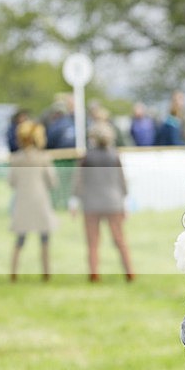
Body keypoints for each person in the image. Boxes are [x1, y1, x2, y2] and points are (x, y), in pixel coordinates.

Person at [72, 120, 134, 282]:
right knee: (120, 240)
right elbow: (122, 181)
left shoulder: (86, 157)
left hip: (91, 204)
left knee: (92, 242)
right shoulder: (115, 156)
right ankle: (129, 273)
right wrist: (126, 202)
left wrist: (73, 201)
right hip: (114, 203)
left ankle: (94, 274)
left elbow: (79, 181)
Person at [8, 120, 58, 281]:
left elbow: (11, 182)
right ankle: (46, 272)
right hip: (40, 201)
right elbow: (52, 181)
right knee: (44, 239)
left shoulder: (16, 158)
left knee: (20, 240)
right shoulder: (44, 157)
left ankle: (13, 273)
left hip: (22, 202)